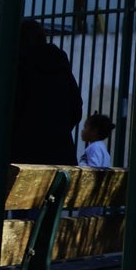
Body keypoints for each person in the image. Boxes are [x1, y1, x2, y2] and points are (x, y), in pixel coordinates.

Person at [8, 14, 82, 166]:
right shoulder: (60, 66)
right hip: (61, 155)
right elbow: (76, 108)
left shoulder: (19, 65)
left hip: (23, 155)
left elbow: (9, 110)